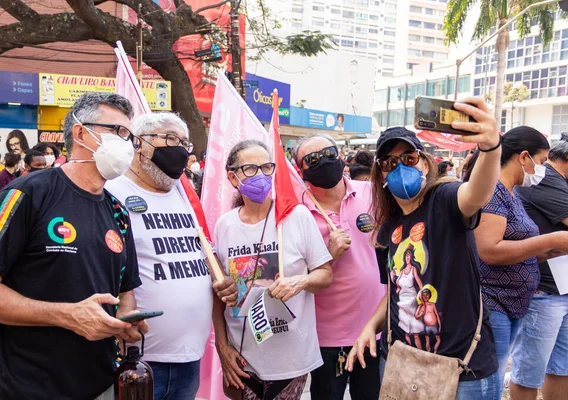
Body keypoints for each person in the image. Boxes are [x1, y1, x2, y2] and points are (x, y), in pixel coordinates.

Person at [0, 92, 149, 400]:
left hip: (101, 384)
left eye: (129, 136)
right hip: (27, 388)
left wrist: (124, 319)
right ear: (81, 132)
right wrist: (66, 315)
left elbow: (125, 290)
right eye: (117, 132)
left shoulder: (117, 211)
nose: (126, 144)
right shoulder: (27, 194)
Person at [346, 97, 502, 399]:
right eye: (389, 163)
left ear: (425, 162)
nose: (399, 167)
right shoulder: (389, 228)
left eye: (408, 157)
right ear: (381, 177)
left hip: (461, 372)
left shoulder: (444, 200)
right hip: (402, 364)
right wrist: (370, 326)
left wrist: (490, 148)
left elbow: (476, 194)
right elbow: (392, 290)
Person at [105, 112, 238, 400]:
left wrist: (220, 279)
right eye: (169, 139)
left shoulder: (182, 192)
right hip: (137, 360)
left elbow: (203, 252)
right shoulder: (112, 192)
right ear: (138, 143)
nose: (178, 148)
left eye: (184, 142)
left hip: (188, 358)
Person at [214, 140, 333, 400]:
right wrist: (222, 347)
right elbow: (217, 294)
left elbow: (325, 275)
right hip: (243, 356)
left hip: (291, 357)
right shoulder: (224, 226)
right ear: (232, 177)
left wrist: (299, 282)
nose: (260, 175)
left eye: (266, 167)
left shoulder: (297, 217)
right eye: (250, 169)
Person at [472, 126, 568, 400]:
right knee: (490, 380)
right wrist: (551, 241)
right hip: (494, 301)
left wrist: (551, 251)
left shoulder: (510, 193)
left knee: (495, 376)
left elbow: (519, 248)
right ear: (523, 157)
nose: (542, 169)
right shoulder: (493, 191)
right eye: (540, 162)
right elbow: (489, 250)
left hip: (513, 301)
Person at [292, 134, 385, 400]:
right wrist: (329, 256)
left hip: (373, 330)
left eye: (330, 153)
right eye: (313, 159)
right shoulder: (298, 212)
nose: (324, 160)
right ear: (301, 170)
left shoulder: (371, 192)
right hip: (326, 338)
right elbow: (294, 278)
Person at [510, 140, 568, 400]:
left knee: (562, 368)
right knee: (528, 372)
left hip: (562, 287)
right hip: (544, 293)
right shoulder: (546, 179)